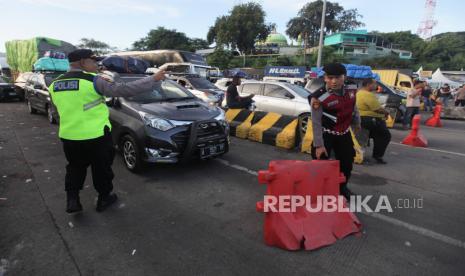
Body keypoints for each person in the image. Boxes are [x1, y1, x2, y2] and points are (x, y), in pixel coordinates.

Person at [49, 49, 166, 213]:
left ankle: (73, 200)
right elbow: (123, 90)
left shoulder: (55, 84)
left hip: (69, 137)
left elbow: (56, 112)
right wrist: (153, 79)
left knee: (75, 168)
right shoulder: (93, 81)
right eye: (93, 60)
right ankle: (104, 199)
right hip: (96, 136)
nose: (96, 64)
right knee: (101, 169)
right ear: (83, 62)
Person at [309, 63, 361, 200]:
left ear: (344, 77)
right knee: (321, 163)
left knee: (347, 164)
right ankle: (321, 191)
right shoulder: (319, 97)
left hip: (344, 133)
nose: (334, 81)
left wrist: (357, 122)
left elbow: (353, 106)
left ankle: (342, 188)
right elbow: (316, 122)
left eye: (338, 77)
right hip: (326, 134)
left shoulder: (352, 88)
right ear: (325, 78)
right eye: (330, 77)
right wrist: (319, 145)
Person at [356, 78, 391, 164]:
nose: (376, 86)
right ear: (368, 85)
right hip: (369, 120)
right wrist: (387, 112)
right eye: (374, 84)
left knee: (369, 137)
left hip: (362, 119)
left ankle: (368, 155)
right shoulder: (367, 94)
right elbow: (377, 109)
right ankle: (377, 156)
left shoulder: (359, 92)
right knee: (385, 135)